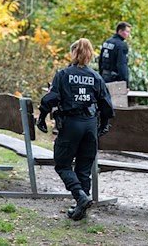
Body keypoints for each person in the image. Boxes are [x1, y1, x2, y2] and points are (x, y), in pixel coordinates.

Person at [37, 38, 114, 221]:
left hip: (71, 125)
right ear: (90, 55)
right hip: (89, 126)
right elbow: (106, 104)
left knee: (63, 164)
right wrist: (103, 125)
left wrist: (41, 117)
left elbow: (51, 98)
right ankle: (81, 206)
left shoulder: (63, 75)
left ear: (73, 53)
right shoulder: (96, 77)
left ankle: (80, 196)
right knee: (83, 168)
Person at [98, 21, 132, 90]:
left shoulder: (107, 42)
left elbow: (100, 60)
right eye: (127, 32)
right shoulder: (121, 45)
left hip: (104, 76)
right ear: (120, 31)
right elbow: (122, 65)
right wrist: (125, 84)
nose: (128, 34)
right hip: (114, 79)